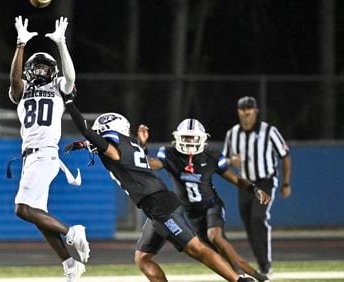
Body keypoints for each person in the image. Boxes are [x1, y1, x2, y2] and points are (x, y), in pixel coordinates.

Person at [63, 96, 255, 282]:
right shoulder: (130, 144)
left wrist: (70, 102)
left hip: (161, 207)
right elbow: (99, 143)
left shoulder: (116, 148)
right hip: (156, 207)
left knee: (196, 248)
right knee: (143, 258)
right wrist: (83, 144)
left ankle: (238, 280)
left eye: (101, 133)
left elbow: (87, 132)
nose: (99, 138)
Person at [136, 119, 271, 282]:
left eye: (193, 138)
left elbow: (235, 178)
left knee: (215, 236)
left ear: (202, 139)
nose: (189, 142)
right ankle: (259, 277)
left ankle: (240, 278)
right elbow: (150, 164)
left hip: (211, 206)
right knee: (217, 253)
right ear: (178, 138)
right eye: (186, 137)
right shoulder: (169, 153)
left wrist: (254, 189)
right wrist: (142, 146)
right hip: (191, 213)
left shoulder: (212, 156)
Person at [8, 15, 89, 281]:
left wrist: (61, 43)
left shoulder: (58, 88)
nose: (41, 71)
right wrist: (21, 44)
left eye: (46, 67)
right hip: (29, 158)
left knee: (22, 208)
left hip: (45, 154)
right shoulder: (21, 90)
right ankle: (70, 265)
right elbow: (14, 80)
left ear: (52, 71)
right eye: (37, 67)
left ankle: (73, 233)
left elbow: (71, 76)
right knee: (38, 217)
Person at [222, 96, 292, 276]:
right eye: (242, 109)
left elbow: (284, 155)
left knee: (257, 218)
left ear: (255, 111)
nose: (246, 113)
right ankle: (262, 266)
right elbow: (223, 161)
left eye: (249, 109)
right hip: (245, 184)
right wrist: (231, 160)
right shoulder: (233, 133)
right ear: (238, 112)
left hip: (265, 181)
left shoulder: (269, 131)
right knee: (249, 225)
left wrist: (285, 183)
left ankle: (266, 266)